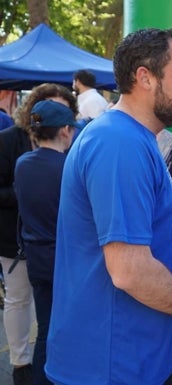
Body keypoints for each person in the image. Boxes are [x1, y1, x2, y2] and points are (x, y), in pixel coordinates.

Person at [46, 28, 172, 385]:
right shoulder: (119, 143)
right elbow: (129, 271)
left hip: (126, 358)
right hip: (109, 365)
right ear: (145, 77)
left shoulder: (132, 138)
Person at [0, 82, 77, 385]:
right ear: (65, 131)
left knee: (46, 322)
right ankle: (37, 371)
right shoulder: (66, 166)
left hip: (34, 251)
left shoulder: (25, 163)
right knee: (50, 321)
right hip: (50, 251)